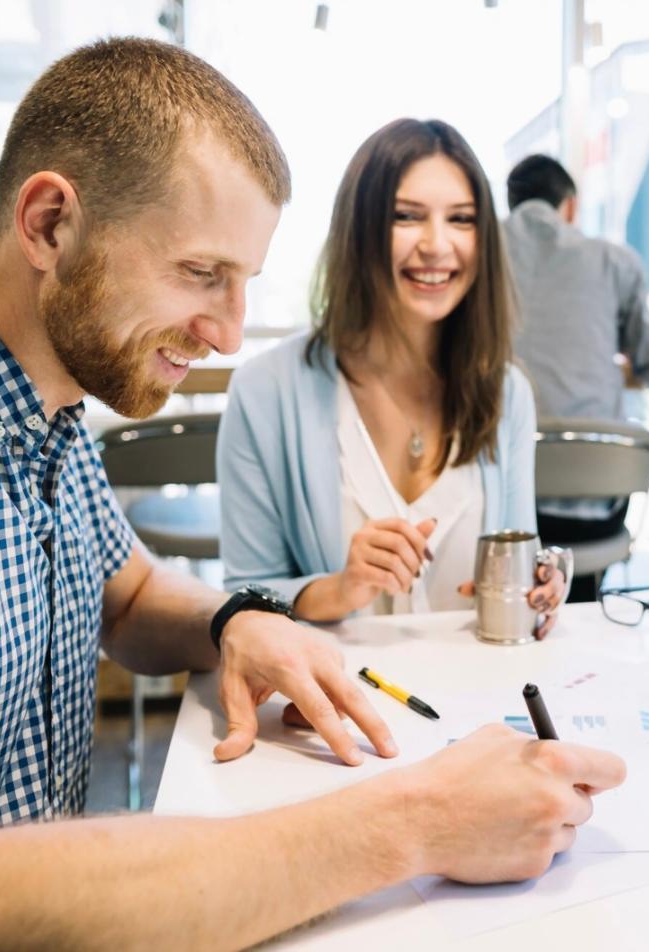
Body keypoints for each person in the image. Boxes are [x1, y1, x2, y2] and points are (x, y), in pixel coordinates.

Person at [0, 42, 623, 949]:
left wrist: (236, 624)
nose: (227, 332)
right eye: (203, 275)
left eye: (245, 285)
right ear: (50, 224)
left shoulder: (41, 408)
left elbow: (126, 596)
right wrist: (415, 821)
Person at [218, 119, 567, 635]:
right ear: (359, 231)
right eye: (407, 216)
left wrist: (541, 584)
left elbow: (521, 555)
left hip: (479, 697)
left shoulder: (506, 393)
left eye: (462, 219)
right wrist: (339, 588)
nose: (436, 244)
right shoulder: (265, 392)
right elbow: (242, 598)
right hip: (335, 702)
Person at [503, 154, 649, 600]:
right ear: (570, 206)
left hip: (496, 509)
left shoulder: (476, 255)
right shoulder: (614, 262)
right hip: (593, 508)